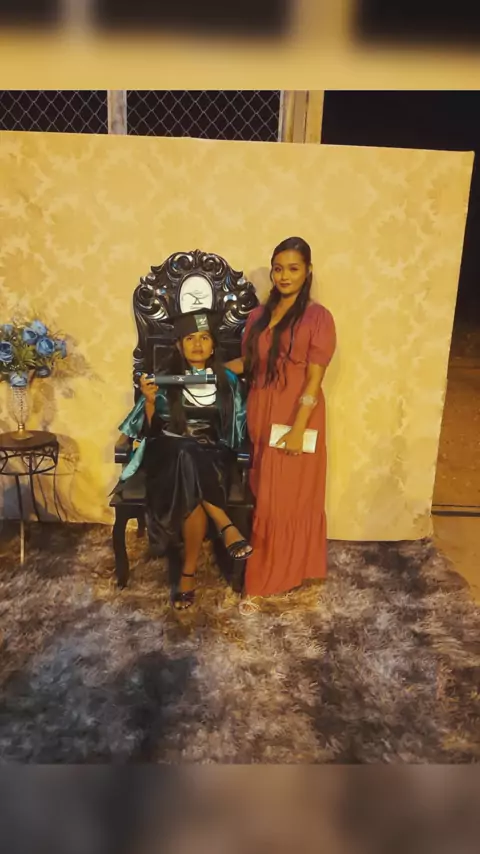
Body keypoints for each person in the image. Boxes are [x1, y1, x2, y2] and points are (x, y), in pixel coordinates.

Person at [113, 308, 252, 611]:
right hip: (168, 455)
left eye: (204, 338)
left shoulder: (228, 381)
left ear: (213, 345)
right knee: (184, 450)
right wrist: (150, 402)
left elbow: (236, 430)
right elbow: (150, 431)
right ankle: (224, 523)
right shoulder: (165, 379)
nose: (197, 344)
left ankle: (187, 573)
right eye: (190, 338)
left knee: (192, 472)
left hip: (212, 457)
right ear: (179, 345)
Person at [225, 237, 336, 612]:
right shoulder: (259, 316)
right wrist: (209, 371)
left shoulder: (318, 318)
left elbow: (314, 379)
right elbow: (249, 364)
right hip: (261, 413)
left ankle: (264, 579)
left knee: (283, 500)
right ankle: (279, 568)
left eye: (293, 268)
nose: (284, 276)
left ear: (307, 271)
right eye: (278, 268)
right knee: (264, 494)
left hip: (296, 415)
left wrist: (299, 427)